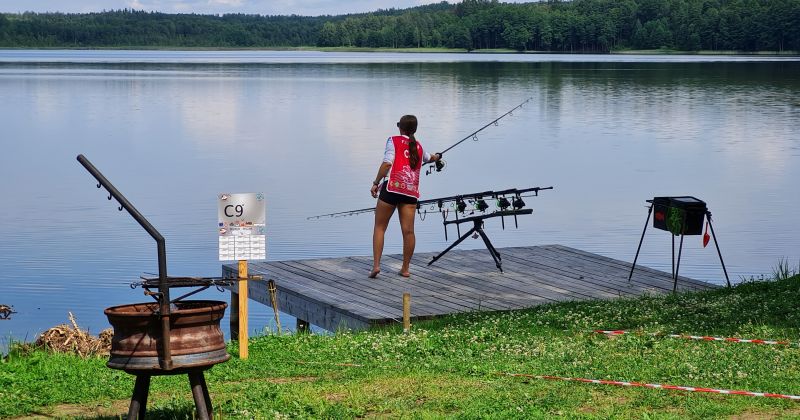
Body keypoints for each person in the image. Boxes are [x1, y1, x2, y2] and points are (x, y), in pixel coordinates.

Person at [369, 115, 441, 278]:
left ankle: (376, 266)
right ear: (414, 130)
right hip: (410, 193)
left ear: (400, 127)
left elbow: (387, 163)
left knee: (380, 227)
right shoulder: (419, 146)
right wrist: (437, 157)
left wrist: (376, 182)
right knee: (408, 232)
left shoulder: (393, 140)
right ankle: (405, 269)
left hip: (392, 189)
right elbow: (430, 158)